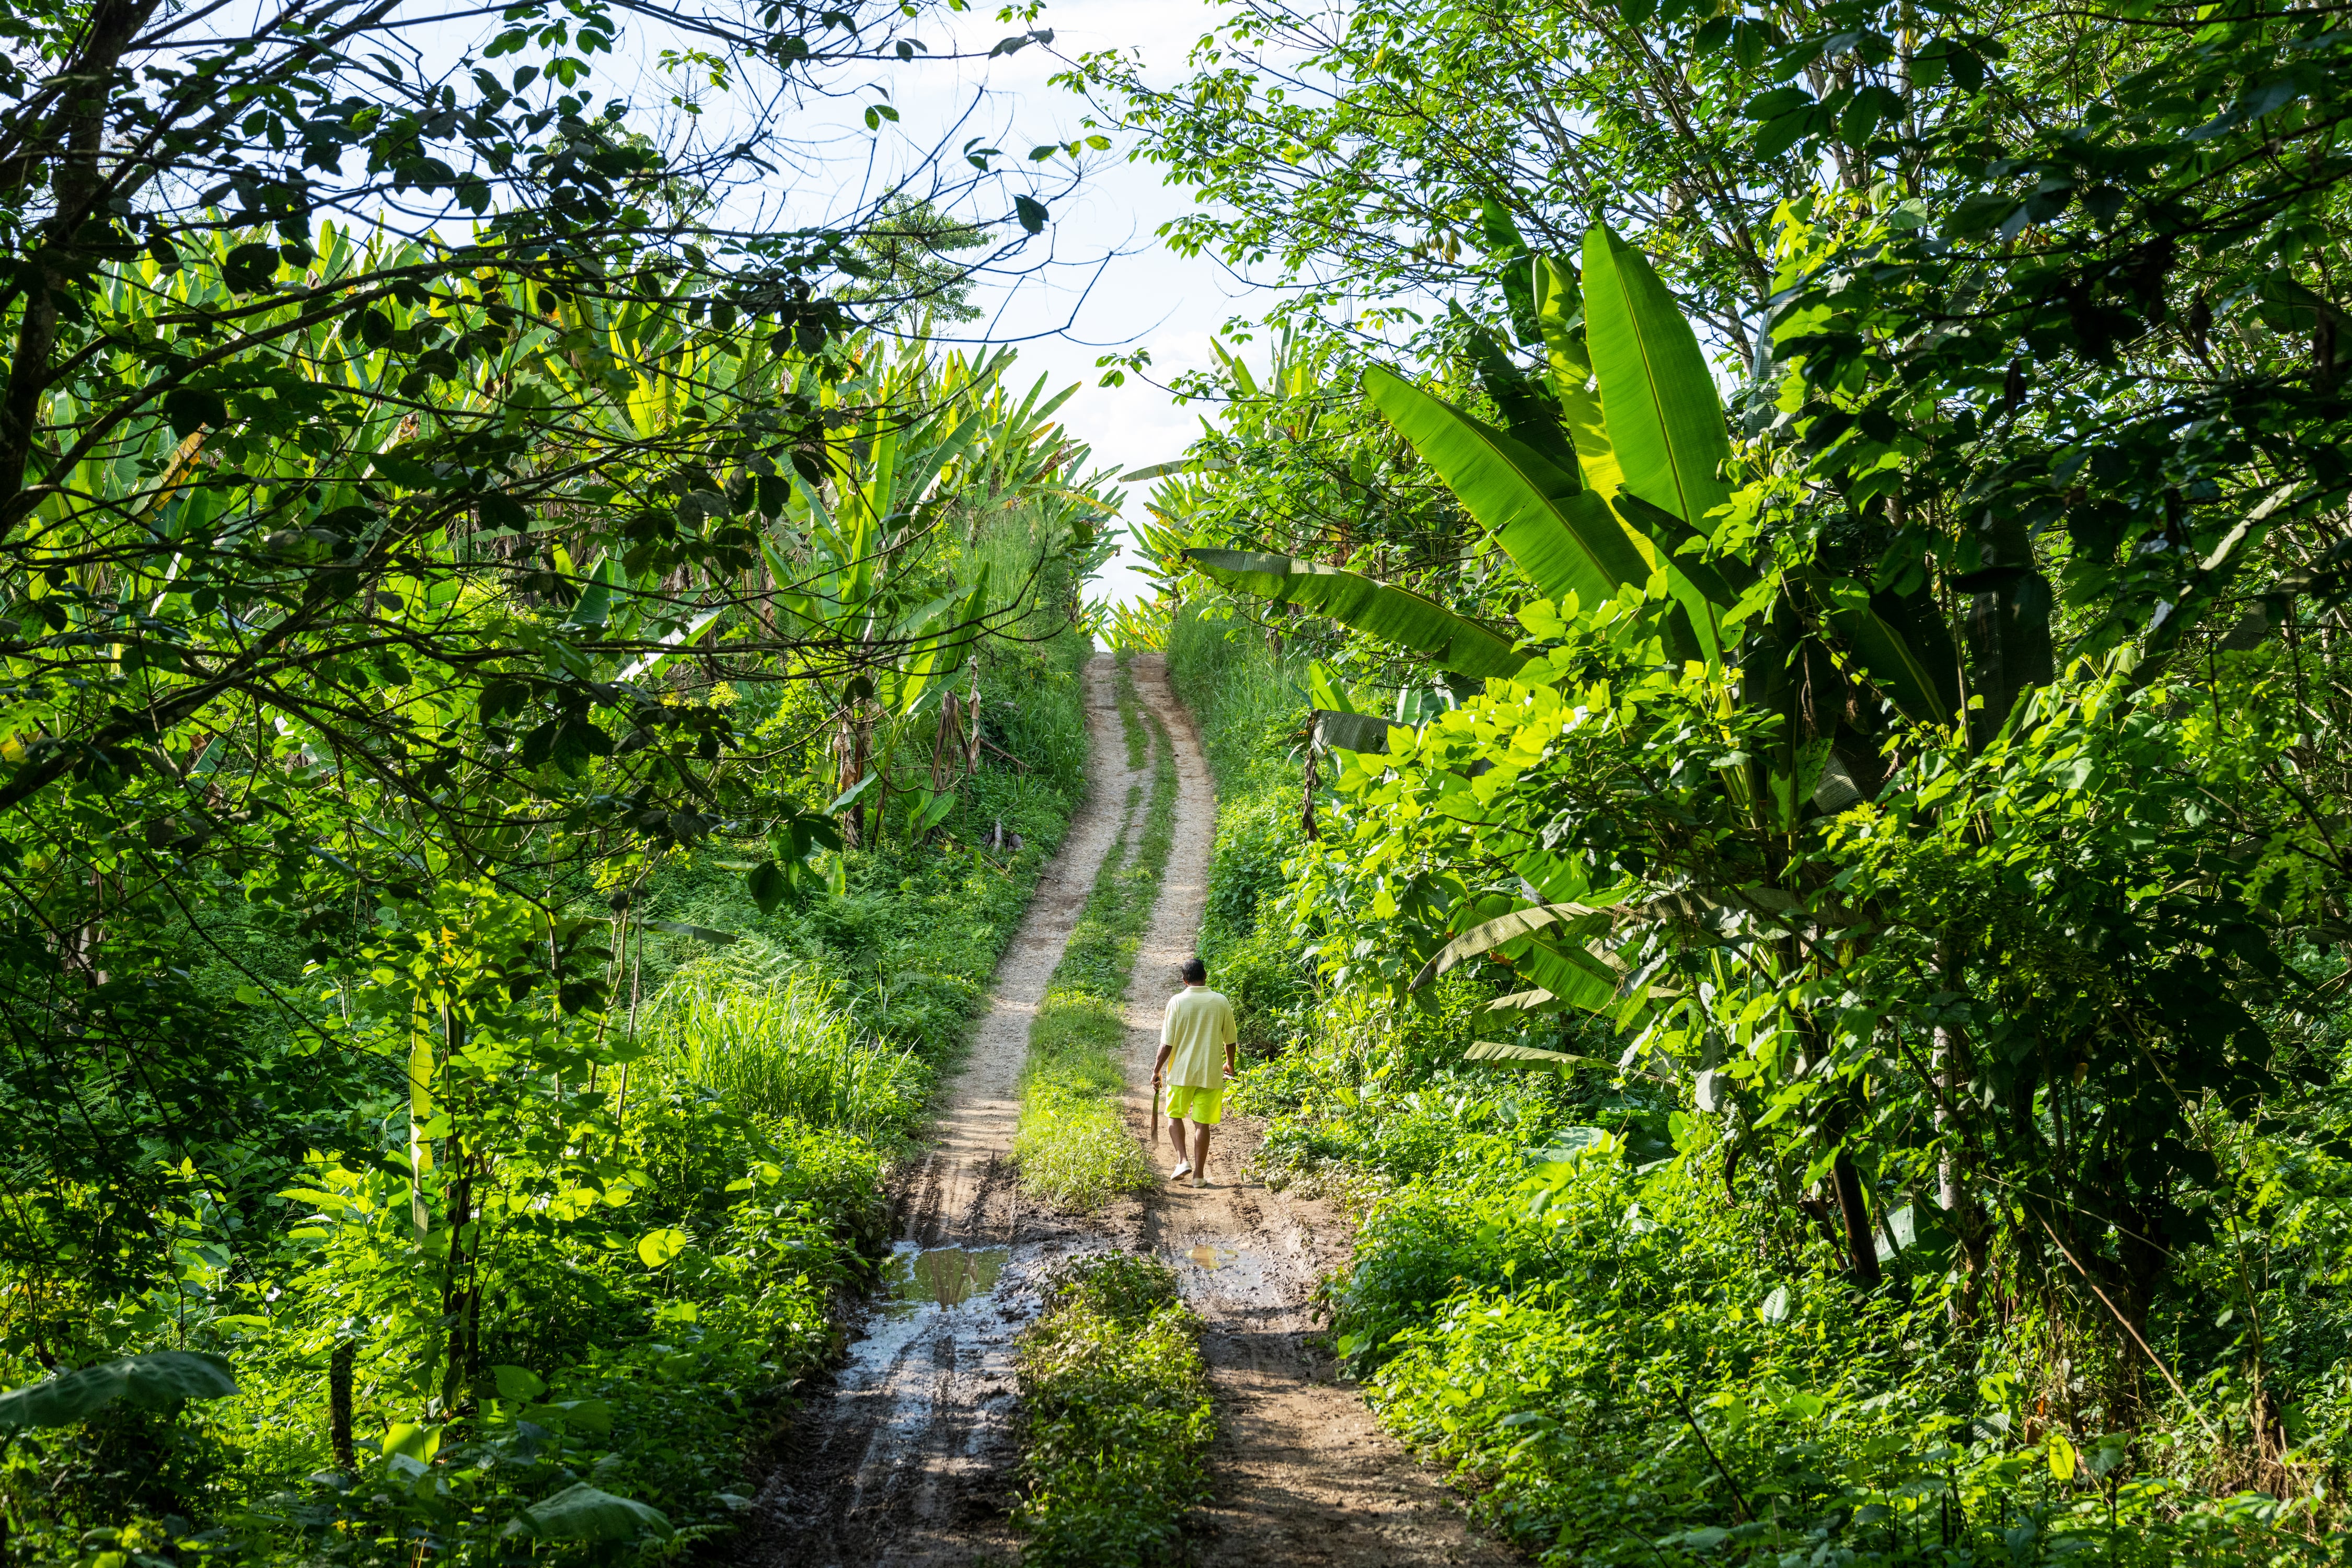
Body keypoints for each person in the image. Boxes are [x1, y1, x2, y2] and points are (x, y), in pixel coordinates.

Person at [1152, 955, 1237, 1188]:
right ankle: (1199, 1176)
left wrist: (1157, 1070)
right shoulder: (1221, 1002)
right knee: (1202, 1124)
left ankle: (1182, 1161)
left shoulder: (1177, 1002)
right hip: (1210, 1074)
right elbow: (1230, 1040)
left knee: (1174, 1116)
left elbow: (1167, 1043)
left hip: (1181, 1073)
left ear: (1184, 980)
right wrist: (1230, 1064)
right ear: (1205, 976)